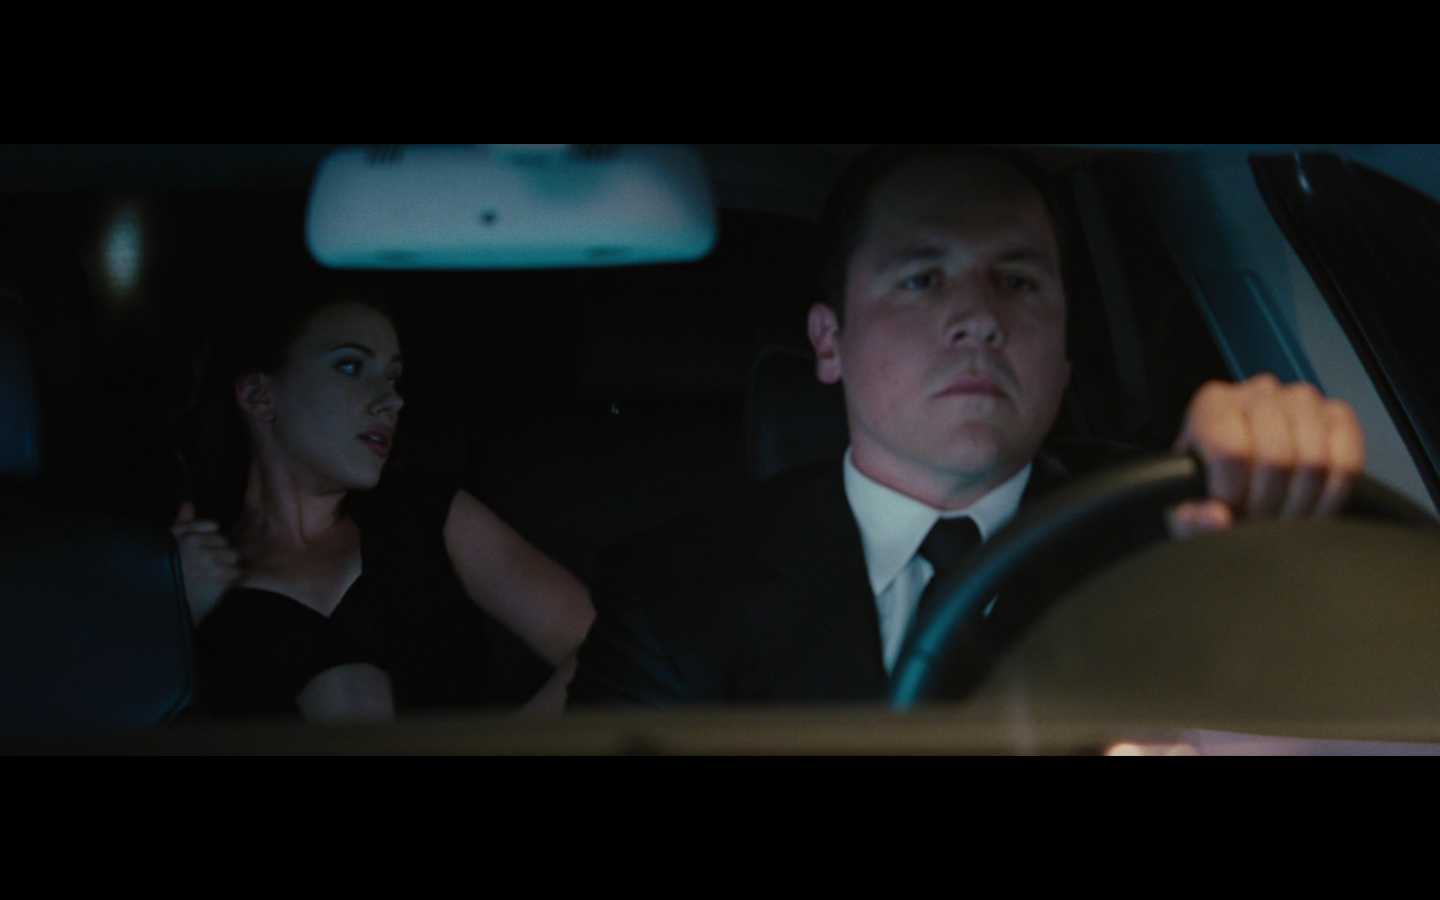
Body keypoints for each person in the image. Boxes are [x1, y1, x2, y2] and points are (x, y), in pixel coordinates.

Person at [568, 144, 1366, 707]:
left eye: (1017, 281)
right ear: (829, 340)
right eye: (922, 279)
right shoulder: (674, 597)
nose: (979, 318)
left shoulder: (1185, 533)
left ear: (1064, 354)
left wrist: (1289, 490)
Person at [171, 266, 594, 722]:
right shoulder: (183, 570)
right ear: (259, 395)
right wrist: (173, 613)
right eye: (352, 367)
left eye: (393, 378)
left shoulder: (430, 515)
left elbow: (603, 647)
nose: (392, 400)